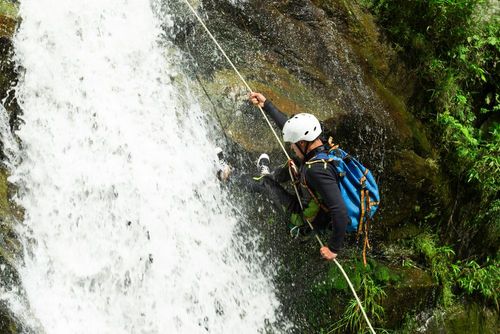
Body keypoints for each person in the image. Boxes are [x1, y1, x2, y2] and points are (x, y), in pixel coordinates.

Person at [244, 92, 349, 261]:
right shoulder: (321, 147)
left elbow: (340, 211)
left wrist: (333, 248)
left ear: (302, 143)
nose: (291, 146)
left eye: (293, 143)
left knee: (265, 184)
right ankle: (270, 174)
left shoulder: (318, 171)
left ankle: (226, 175)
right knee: (294, 162)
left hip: (304, 219)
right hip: (313, 200)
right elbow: (291, 128)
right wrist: (267, 105)